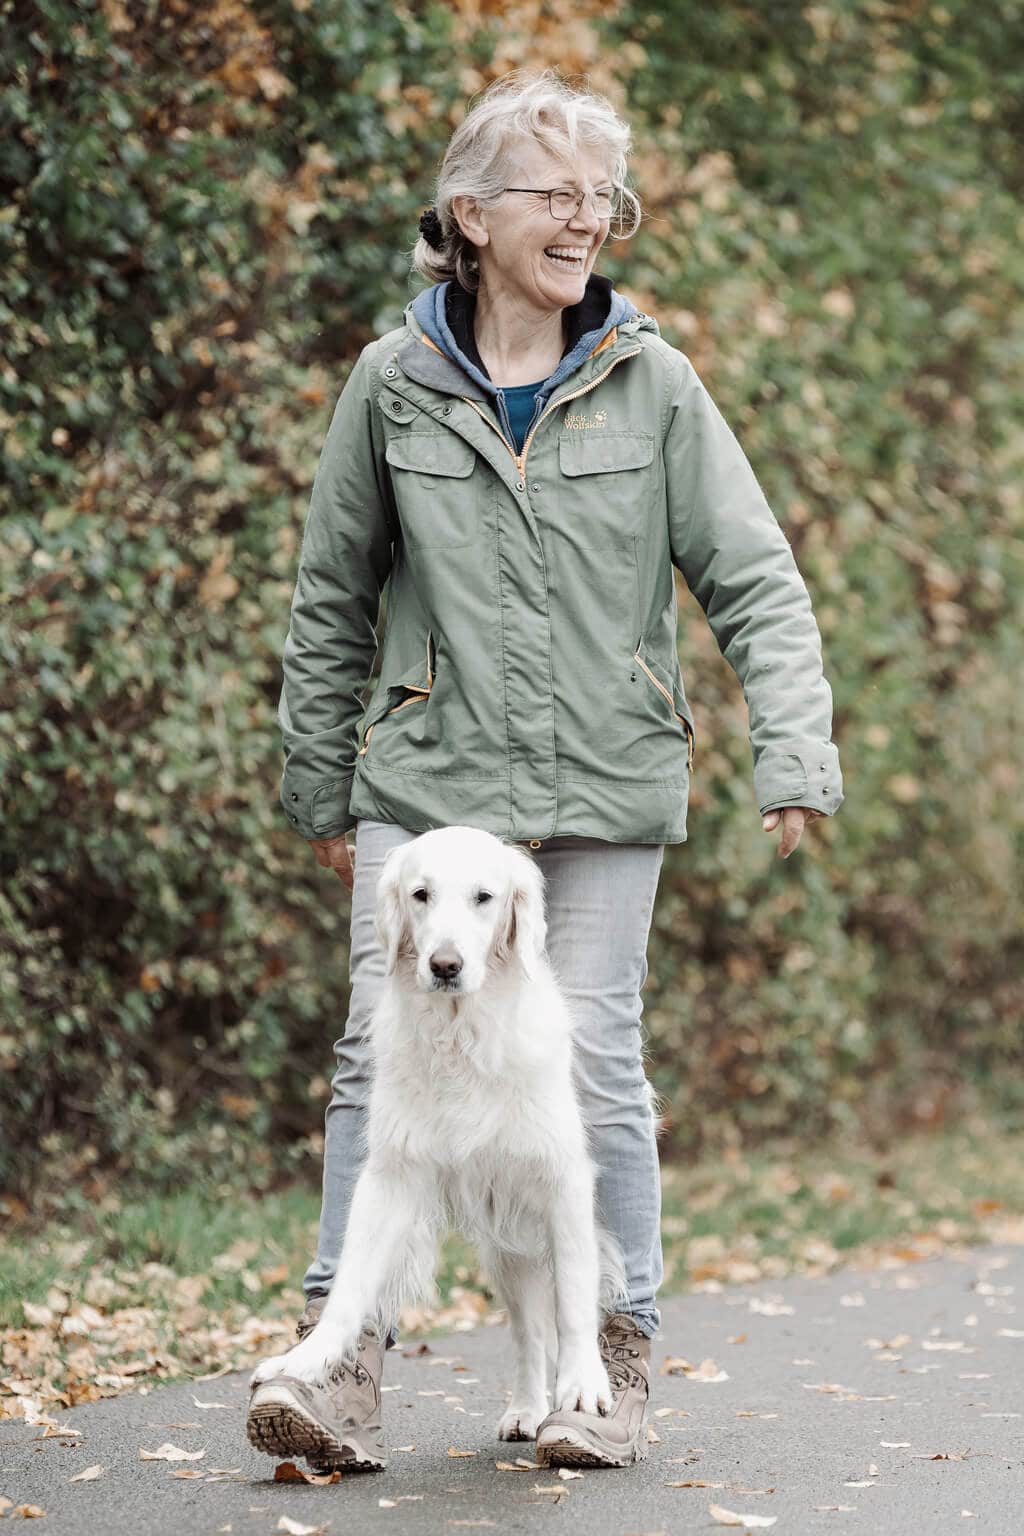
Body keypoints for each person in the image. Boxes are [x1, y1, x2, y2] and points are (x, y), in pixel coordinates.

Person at [251, 69, 843, 1472]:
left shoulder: (655, 380)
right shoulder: (393, 384)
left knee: (592, 1054)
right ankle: (344, 1363)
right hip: (430, 772)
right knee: (367, 1059)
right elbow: (330, 591)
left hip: (602, 780)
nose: (587, 221)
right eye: (557, 194)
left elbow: (751, 573)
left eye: (602, 198)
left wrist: (793, 744)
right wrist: (319, 787)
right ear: (470, 213)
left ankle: (609, 1359)